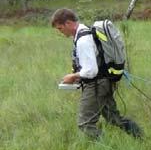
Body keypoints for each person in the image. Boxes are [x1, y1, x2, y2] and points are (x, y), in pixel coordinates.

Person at [51, 8, 142, 139]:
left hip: (96, 85)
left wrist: (73, 76)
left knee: (85, 124)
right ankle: (141, 138)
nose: (60, 32)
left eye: (60, 28)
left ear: (68, 23)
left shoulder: (83, 40)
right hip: (104, 82)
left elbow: (91, 70)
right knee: (114, 119)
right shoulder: (84, 32)